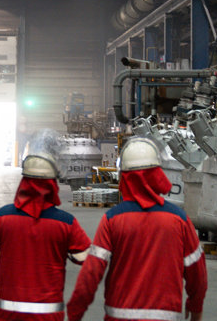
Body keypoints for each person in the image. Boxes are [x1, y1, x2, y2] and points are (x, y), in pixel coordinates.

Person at [67, 137, 207, 321]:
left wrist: (75, 313)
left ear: (124, 178)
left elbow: (91, 272)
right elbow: (197, 272)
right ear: (157, 174)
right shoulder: (179, 220)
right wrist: (195, 307)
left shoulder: (112, 220)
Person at [0, 150, 91, 320]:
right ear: (52, 185)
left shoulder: (3, 217)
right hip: (49, 315)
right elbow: (89, 261)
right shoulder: (66, 223)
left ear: (23, 182)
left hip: (8, 314)